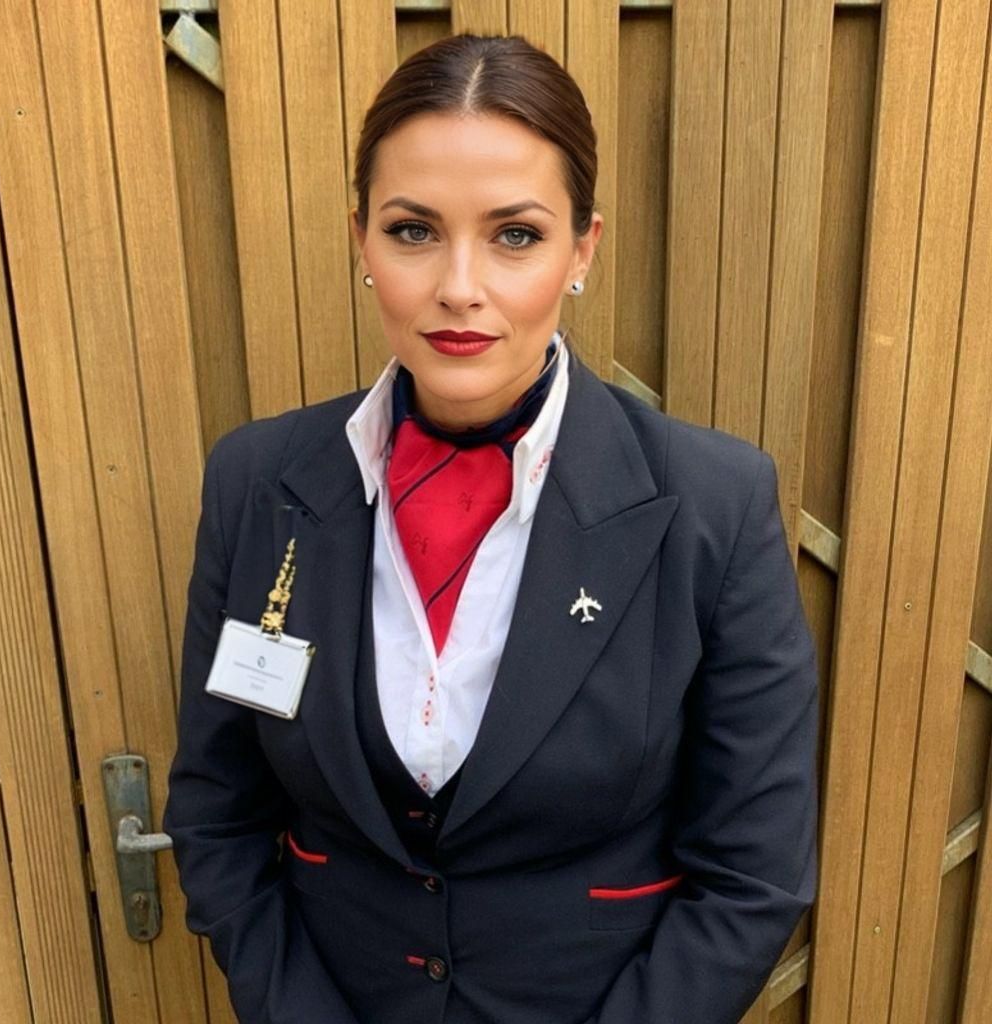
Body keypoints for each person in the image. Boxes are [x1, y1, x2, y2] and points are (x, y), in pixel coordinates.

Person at [164, 32, 818, 1024]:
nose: (458, 287)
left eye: (514, 234)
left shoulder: (712, 505)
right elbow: (217, 811)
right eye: (413, 230)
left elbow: (754, 871)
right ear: (361, 241)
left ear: (581, 247)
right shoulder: (256, 480)